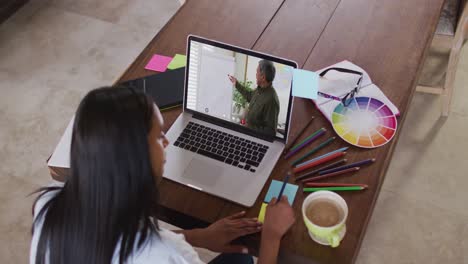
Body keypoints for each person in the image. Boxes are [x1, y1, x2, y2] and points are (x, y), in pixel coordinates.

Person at [30, 86, 295, 264]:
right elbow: (155, 249)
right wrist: (271, 236)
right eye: (159, 136)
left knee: (237, 257)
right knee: (244, 257)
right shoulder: (167, 256)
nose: (167, 141)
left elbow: (119, 242)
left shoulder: (49, 205)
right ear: (136, 159)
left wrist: (200, 236)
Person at [228, 60, 280, 137]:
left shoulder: (272, 100)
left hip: (254, 137)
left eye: (257, 72)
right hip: (246, 132)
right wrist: (236, 84)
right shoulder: (260, 89)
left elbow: (270, 132)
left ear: (263, 77)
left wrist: (249, 128)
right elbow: (249, 96)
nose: (256, 75)